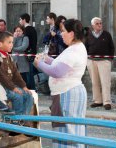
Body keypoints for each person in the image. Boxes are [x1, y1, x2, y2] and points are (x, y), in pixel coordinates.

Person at [34, 19, 87, 148]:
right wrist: (47, 59)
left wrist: (39, 64)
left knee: (67, 133)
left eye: (63, 31)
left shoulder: (74, 50)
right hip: (68, 93)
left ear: (72, 34)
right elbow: (60, 65)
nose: (61, 34)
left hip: (67, 94)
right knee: (71, 131)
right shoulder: (74, 48)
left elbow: (57, 71)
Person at [0, 31, 34, 115]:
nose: (11, 44)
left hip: (10, 86)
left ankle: (24, 118)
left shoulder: (9, 57)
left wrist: (23, 86)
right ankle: (17, 119)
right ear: (0, 44)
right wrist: (13, 88)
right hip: (1, 86)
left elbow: (16, 73)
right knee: (17, 96)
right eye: (9, 42)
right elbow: (1, 76)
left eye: (12, 42)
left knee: (29, 95)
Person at [85, 17, 115, 110]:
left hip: (104, 61)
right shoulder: (89, 35)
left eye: (101, 23)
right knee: (95, 82)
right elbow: (85, 47)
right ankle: (98, 101)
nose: (99, 25)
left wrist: (110, 59)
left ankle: (107, 102)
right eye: (97, 23)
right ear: (93, 25)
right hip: (92, 61)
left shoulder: (106, 34)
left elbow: (112, 47)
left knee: (105, 82)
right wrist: (87, 59)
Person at [19, 13, 38, 90]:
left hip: (28, 54)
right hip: (32, 53)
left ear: (24, 20)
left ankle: (31, 89)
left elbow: (26, 44)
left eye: (20, 19)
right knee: (30, 73)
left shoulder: (27, 30)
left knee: (28, 74)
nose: (19, 21)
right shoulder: (32, 28)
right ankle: (32, 89)